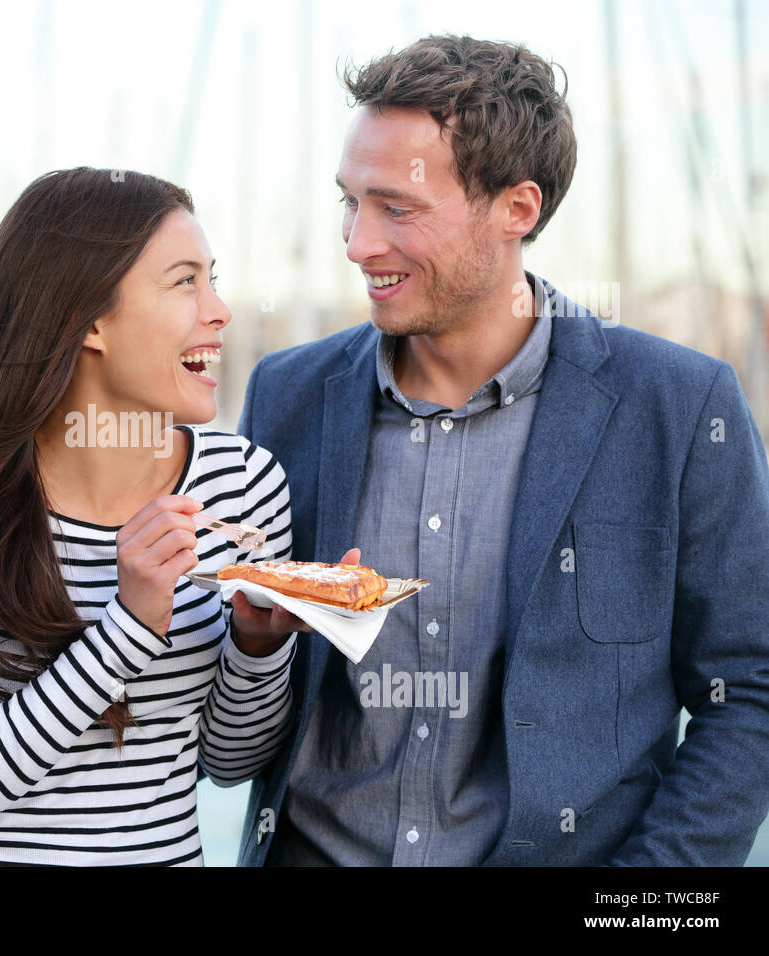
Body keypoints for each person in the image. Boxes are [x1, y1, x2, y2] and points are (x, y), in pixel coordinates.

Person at [236, 35, 769, 866]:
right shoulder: (286, 396)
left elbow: (749, 698)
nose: (357, 243)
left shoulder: (681, 407)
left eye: (395, 208)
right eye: (350, 202)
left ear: (517, 208)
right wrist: (255, 645)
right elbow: (239, 727)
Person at [0, 167, 332, 865]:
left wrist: (257, 647)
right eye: (185, 281)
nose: (220, 310)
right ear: (91, 320)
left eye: (212, 279)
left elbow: (230, 760)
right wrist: (126, 630)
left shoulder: (242, 485)